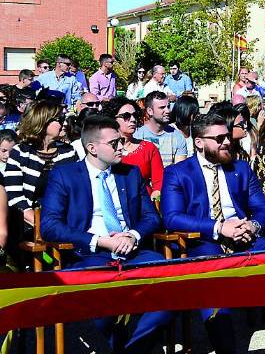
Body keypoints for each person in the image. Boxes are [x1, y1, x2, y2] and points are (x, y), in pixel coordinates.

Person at [161, 113, 265, 354]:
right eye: (218, 138)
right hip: (204, 241)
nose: (227, 141)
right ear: (199, 142)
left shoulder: (240, 168)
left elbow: (262, 208)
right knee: (213, 276)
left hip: (246, 237)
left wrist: (253, 225)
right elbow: (172, 217)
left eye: (227, 135)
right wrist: (218, 227)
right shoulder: (178, 173)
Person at [39, 116, 172, 352]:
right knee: (100, 301)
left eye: (120, 141)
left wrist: (132, 235)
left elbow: (152, 217)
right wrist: (99, 241)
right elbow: (49, 225)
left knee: (169, 281)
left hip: (132, 251)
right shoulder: (64, 175)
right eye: (114, 143)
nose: (121, 147)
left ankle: (133, 348)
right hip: (90, 255)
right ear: (92, 148)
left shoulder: (129, 174)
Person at [5, 100, 78, 229]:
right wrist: (39, 223)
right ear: (44, 122)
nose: (64, 123)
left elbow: (77, 191)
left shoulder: (69, 152)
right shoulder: (21, 152)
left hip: (64, 222)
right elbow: (14, 196)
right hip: (28, 224)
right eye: (60, 119)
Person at [102, 97, 164, 199]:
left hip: (145, 205)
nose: (133, 119)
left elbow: (159, 182)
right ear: (112, 118)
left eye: (135, 115)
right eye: (126, 116)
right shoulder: (104, 149)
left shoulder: (149, 148)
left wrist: (155, 197)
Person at [134, 91, 187, 167]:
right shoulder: (137, 136)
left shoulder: (177, 136)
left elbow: (179, 170)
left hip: (169, 178)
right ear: (150, 111)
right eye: (162, 108)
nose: (168, 111)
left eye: (168, 106)